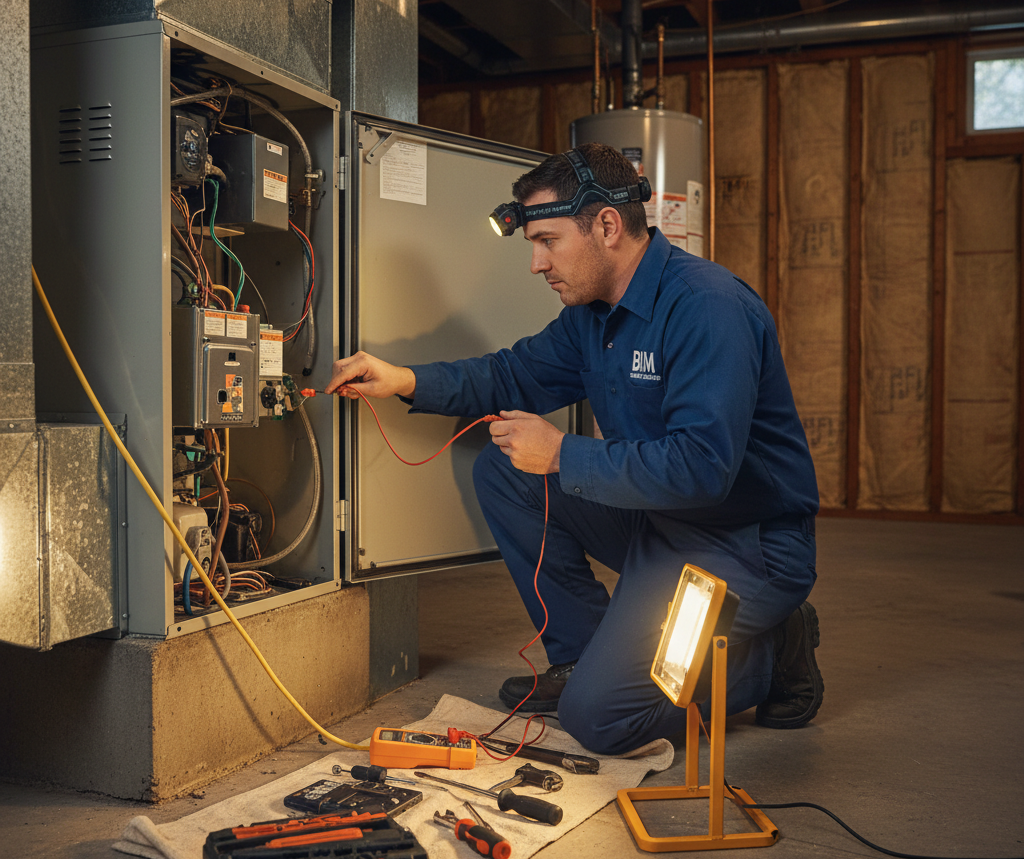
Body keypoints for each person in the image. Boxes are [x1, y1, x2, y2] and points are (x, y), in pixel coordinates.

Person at [326, 143, 822, 755]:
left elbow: (702, 468)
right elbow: (511, 374)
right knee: (507, 472)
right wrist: (403, 379)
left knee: (601, 720)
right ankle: (582, 656)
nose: (536, 264)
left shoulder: (707, 308)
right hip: (661, 522)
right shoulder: (594, 314)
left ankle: (771, 654)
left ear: (607, 226)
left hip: (741, 546)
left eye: (547, 241)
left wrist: (563, 453)